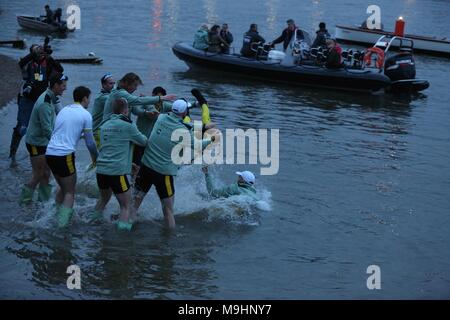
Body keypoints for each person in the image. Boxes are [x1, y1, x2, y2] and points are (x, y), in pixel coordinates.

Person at [132, 99, 215, 229]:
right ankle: (169, 239)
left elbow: (178, 122)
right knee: (168, 209)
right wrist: (211, 139)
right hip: (163, 173)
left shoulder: (161, 118)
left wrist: (200, 126)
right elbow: (197, 145)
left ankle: (124, 226)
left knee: (135, 201)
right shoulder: (183, 131)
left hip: (146, 167)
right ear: (184, 113)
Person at [45, 86, 98, 227]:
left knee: (62, 188)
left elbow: (62, 131)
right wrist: (96, 158)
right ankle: (62, 226)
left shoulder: (64, 110)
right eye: (89, 98)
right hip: (64, 155)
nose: (89, 102)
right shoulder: (86, 115)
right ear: (85, 98)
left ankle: (54, 215)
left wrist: (77, 135)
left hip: (50, 153)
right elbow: (90, 143)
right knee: (70, 192)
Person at [92, 98, 148, 231]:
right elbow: (143, 141)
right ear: (125, 110)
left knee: (103, 200)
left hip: (101, 171)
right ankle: (122, 239)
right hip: (116, 173)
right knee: (126, 206)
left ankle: (93, 223)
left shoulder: (104, 125)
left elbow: (112, 147)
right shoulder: (128, 125)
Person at [9, 43, 63, 167]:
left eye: (40, 50)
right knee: (22, 128)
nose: (39, 52)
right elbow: (19, 65)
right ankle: (12, 156)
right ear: (31, 52)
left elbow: (60, 70)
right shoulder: (27, 62)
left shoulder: (47, 62)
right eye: (36, 50)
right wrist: (32, 55)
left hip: (42, 99)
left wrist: (49, 57)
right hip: (26, 99)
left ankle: (45, 153)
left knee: (46, 125)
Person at [20, 74, 68, 205]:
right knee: (38, 174)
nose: (65, 88)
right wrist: (60, 145)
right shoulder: (45, 103)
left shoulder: (52, 97)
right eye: (63, 86)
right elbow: (47, 130)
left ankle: (43, 203)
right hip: (35, 142)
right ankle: (24, 202)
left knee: (46, 173)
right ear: (56, 85)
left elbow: (59, 116)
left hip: (44, 142)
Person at [102, 72, 175, 122]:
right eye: (135, 85)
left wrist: (146, 113)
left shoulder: (125, 94)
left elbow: (135, 110)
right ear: (127, 83)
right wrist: (161, 98)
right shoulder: (119, 92)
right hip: (109, 128)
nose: (136, 88)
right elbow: (138, 100)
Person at [133, 86, 172, 167]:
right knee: (136, 165)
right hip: (139, 139)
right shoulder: (145, 102)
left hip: (152, 142)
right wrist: (145, 113)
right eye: (157, 97)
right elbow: (135, 111)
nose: (159, 100)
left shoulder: (164, 105)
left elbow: (177, 107)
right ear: (152, 96)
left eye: (161, 98)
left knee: (147, 165)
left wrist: (196, 103)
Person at [91, 74, 115, 146]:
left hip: (103, 131)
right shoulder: (103, 97)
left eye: (114, 83)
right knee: (100, 155)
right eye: (110, 83)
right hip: (98, 131)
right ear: (103, 85)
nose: (113, 85)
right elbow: (119, 101)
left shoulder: (108, 95)